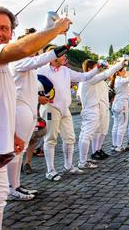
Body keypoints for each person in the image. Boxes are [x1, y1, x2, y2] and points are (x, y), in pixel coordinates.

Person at [0, 6, 71, 230]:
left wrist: (10, 133)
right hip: (20, 113)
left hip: (11, 127)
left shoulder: (13, 60)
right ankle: (15, 186)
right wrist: (56, 29)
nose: (1, 33)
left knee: (0, 199)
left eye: (5, 28)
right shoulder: (16, 58)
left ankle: (15, 186)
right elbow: (28, 52)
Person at [8, 29, 76, 200]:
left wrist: (39, 97)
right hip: (18, 109)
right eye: (31, 45)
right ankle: (12, 187)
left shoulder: (28, 63)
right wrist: (66, 45)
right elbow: (44, 58)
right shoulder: (18, 62)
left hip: (29, 109)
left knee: (21, 150)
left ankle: (16, 185)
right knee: (16, 151)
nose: (34, 48)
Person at [37, 46, 100, 181]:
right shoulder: (41, 70)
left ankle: (68, 165)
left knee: (70, 138)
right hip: (50, 108)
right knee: (50, 139)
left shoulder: (65, 70)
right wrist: (38, 97)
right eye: (62, 55)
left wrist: (97, 68)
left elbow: (84, 76)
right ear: (53, 57)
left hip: (65, 109)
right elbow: (32, 86)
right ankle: (50, 170)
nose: (65, 57)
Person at [77, 58, 125, 169]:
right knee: (86, 135)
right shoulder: (88, 78)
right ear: (89, 69)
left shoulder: (93, 79)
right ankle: (82, 161)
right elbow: (106, 74)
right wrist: (119, 64)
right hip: (91, 110)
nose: (98, 69)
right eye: (96, 67)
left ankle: (84, 159)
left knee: (89, 134)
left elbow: (104, 77)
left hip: (96, 108)